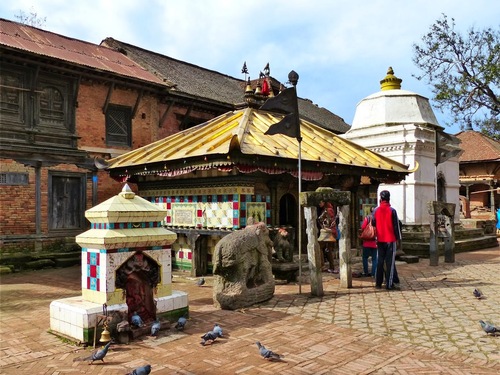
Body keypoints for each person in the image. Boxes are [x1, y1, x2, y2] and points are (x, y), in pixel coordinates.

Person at [372, 190, 401, 290]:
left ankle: (378, 283)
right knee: (390, 263)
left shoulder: (376, 210)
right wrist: (398, 239)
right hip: (390, 239)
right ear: (389, 198)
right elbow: (396, 227)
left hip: (380, 239)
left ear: (380, 199)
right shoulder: (392, 210)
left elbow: (373, 223)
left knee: (380, 261)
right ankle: (389, 284)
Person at [317, 200, 337, 273]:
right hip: (328, 231)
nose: (319, 204)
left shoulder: (328, 210)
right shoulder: (326, 210)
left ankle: (323, 265)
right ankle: (331, 266)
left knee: (320, 247)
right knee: (328, 250)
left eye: (321, 202)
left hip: (329, 232)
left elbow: (330, 220)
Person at [361, 206, 377, 277]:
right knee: (374, 259)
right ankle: (373, 273)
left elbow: (363, 227)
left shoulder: (367, 218)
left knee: (365, 257)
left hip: (366, 242)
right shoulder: (377, 218)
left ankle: (366, 272)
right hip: (375, 242)